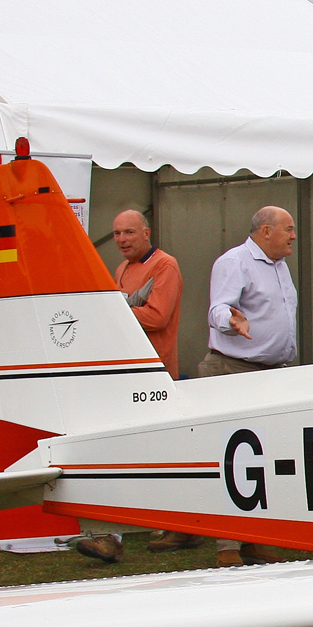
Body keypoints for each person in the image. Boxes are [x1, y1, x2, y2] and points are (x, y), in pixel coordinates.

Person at [74, 210, 183, 564]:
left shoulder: (165, 266)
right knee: (132, 453)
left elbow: (157, 316)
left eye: (129, 233)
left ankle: (174, 527)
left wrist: (110, 312)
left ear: (146, 232)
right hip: (126, 373)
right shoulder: (121, 269)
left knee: (162, 454)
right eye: (117, 233)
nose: (122, 239)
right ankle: (119, 532)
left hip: (154, 373)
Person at [194, 205, 300, 566]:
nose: (293, 235)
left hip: (269, 374)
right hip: (233, 371)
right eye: (288, 229)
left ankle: (255, 538)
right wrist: (230, 320)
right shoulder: (234, 261)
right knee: (233, 458)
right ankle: (228, 546)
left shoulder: (280, 266)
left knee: (264, 459)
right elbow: (216, 309)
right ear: (266, 230)